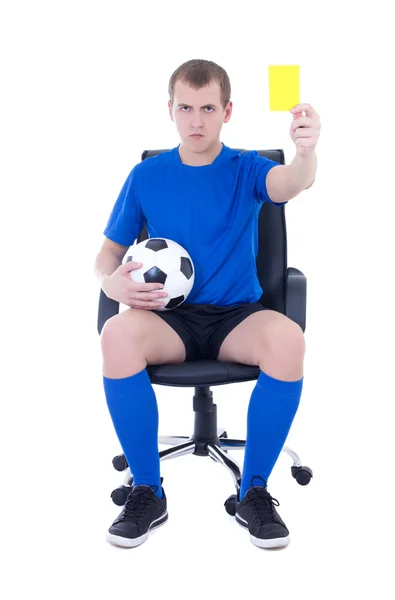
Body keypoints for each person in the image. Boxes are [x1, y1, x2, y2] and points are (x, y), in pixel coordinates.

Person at [95, 58, 321, 550]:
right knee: (116, 334)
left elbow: (291, 183)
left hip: (236, 317)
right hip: (167, 318)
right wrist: (112, 285)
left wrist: (305, 152)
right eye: (186, 108)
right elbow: (108, 255)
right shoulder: (146, 176)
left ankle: (254, 491)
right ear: (170, 110)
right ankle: (147, 491)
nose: (196, 120)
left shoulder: (247, 167)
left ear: (227, 111)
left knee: (287, 339)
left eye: (208, 108)